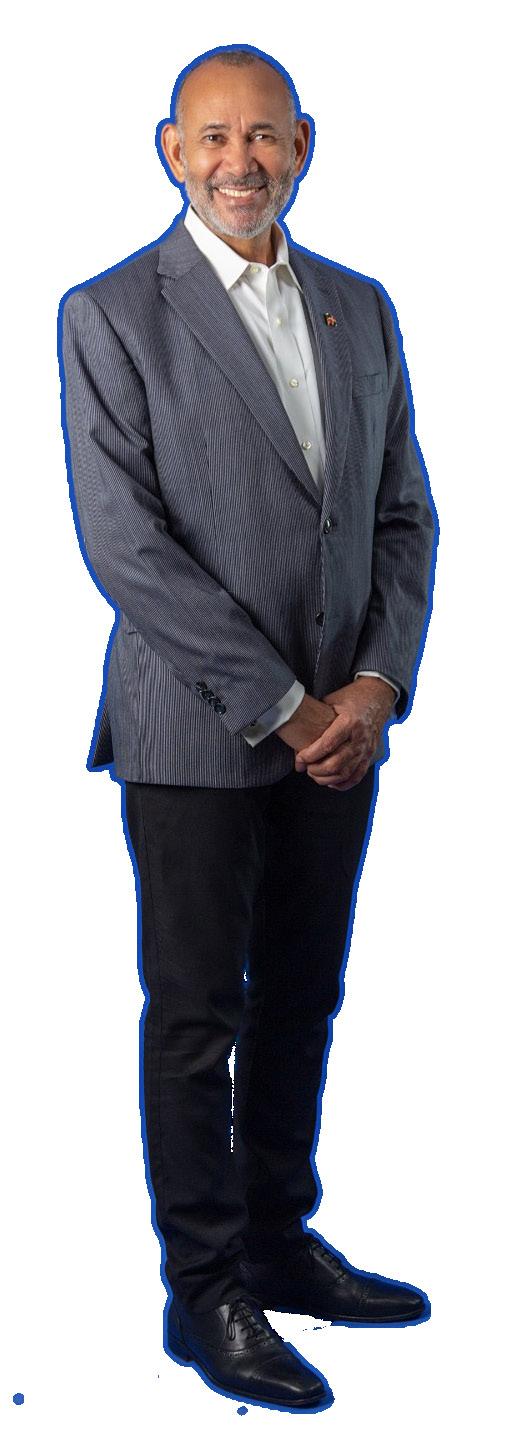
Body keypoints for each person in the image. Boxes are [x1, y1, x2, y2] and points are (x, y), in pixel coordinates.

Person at [59, 44, 436, 1412]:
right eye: (213, 137)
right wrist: (286, 708)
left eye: (265, 135)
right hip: (195, 729)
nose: (241, 160)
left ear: (303, 144)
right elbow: (127, 550)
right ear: (171, 149)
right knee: (196, 1015)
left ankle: (279, 1240)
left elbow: (404, 513)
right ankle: (205, 1290)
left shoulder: (360, 306)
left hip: (344, 731)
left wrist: (374, 688)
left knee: (304, 993)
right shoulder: (111, 313)